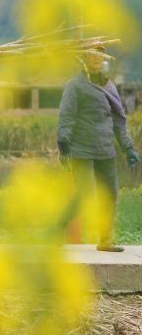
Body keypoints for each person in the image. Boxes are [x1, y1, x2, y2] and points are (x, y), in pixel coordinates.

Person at [57, 47, 140, 252]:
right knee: (85, 193)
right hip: (80, 149)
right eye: (92, 54)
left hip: (105, 148)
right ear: (84, 58)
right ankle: (58, 228)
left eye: (100, 55)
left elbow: (119, 119)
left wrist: (128, 147)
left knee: (110, 193)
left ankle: (106, 240)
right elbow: (66, 117)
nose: (96, 58)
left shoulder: (109, 85)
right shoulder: (75, 85)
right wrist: (64, 145)